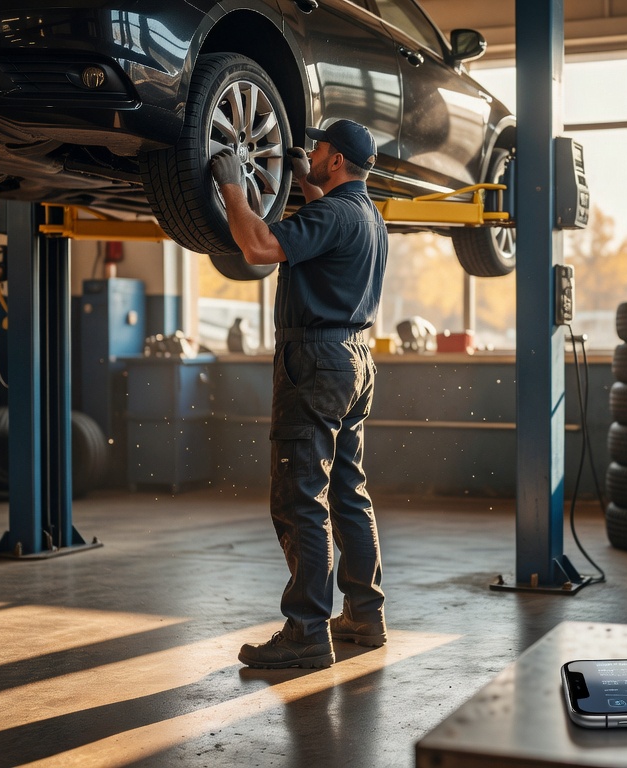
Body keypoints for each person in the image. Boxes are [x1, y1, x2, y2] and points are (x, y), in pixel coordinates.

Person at [210, 119, 388, 669]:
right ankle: (363, 614)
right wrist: (302, 177)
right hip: (355, 360)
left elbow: (261, 246)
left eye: (318, 148)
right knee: (347, 490)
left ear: (335, 160)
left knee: (299, 497)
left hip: (314, 362)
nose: (310, 151)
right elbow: (323, 221)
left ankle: (308, 631)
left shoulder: (333, 214)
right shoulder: (367, 215)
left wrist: (232, 184)